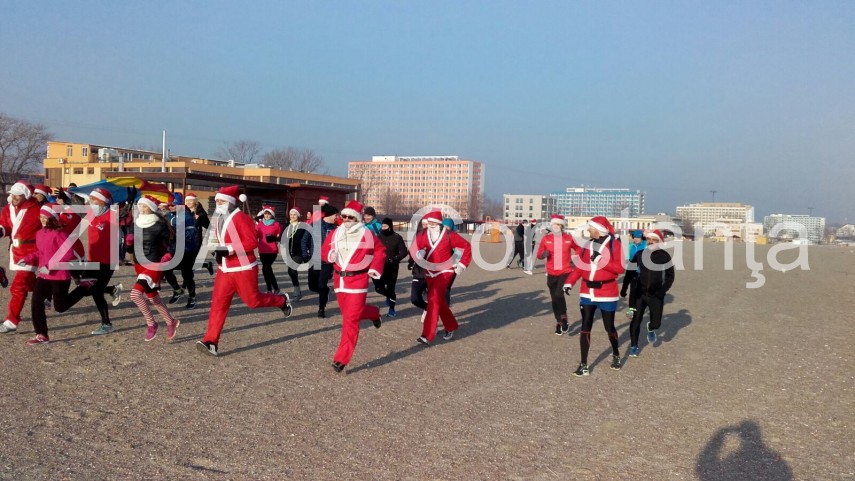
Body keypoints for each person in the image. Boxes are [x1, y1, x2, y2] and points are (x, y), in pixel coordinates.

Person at [196, 185, 291, 356]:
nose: (218, 203)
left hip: (243, 268)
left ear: (231, 203)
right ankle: (210, 341)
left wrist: (229, 249)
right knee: (218, 305)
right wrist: (218, 251)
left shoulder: (242, 218)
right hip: (225, 269)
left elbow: (252, 243)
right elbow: (222, 241)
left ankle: (281, 301)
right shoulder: (218, 219)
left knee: (252, 302)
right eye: (217, 201)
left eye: (221, 201)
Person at [321, 200, 385, 372]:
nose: (347, 219)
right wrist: (330, 254)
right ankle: (374, 313)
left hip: (358, 281)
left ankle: (341, 358)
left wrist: (374, 268)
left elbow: (380, 251)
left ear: (357, 218)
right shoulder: (335, 233)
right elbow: (324, 250)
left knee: (350, 319)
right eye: (344, 216)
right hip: (340, 281)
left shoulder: (367, 234)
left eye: (351, 217)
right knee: (351, 314)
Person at [564, 216, 624, 376]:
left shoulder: (614, 245)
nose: (588, 230)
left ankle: (616, 354)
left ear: (598, 229)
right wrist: (569, 282)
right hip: (587, 292)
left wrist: (601, 260)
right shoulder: (587, 245)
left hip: (607, 293)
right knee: (585, 327)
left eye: (590, 227)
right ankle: (583, 364)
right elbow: (579, 267)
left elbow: (620, 268)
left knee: (609, 327)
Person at [65, 187, 124, 335]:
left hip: (107, 261)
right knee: (86, 289)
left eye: (94, 201)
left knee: (95, 291)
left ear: (103, 203)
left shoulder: (113, 215)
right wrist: (68, 197)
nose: (91, 203)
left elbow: (123, 213)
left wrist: (128, 202)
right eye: (90, 200)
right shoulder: (91, 214)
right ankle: (111, 289)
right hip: (93, 259)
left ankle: (107, 324)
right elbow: (78, 209)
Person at [410, 209, 472, 346]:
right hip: (429, 272)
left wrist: (461, 264)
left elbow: (466, 246)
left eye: (433, 222)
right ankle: (451, 326)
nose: (431, 225)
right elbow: (414, 249)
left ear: (439, 223)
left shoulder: (449, 235)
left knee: (433, 299)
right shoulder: (422, 234)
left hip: (445, 272)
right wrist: (418, 253)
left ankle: (427, 334)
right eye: (429, 222)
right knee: (439, 302)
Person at [21, 204, 79, 345]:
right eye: (40, 217)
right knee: (36, 302)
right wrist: (27, 258)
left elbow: (69, 255)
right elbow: (40, 252)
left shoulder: (61, 235)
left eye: (44, 217)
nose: (41, 220)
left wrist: (50, 266)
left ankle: (83, 288)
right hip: (43, 276)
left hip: (60, 276)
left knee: (60, 307)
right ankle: (41, 334)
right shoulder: (40, 233)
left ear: (52, 218)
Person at [129, 196, 181, 341]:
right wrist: (128, 245)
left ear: (151, 207)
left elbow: (174, 242)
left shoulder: (159, 224)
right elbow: (133, 246)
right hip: (139, 264)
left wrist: (169, 255)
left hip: (154, 263)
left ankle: (152, 324)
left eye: (145, 206)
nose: (142, 208)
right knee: (153, 297)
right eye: (140, 205)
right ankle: (171, 322)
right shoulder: (137, 223)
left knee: (135, 295)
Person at [0, 182, 43, 333]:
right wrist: (1, 231)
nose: (14, 197)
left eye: (18, 194)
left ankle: (12, 321)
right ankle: (49, 289)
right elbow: (5, 225)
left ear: (26, 195)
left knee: (18, 287)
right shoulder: (8, 208)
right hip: (15, 250)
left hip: (31, 252)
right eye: (12, 194)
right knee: (30, 285)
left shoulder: (36, 208)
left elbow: (50, 224)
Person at [628, 229, 675, 356]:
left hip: (656, 295)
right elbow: (630, 271)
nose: (651, 242)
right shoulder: (639, 254)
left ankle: (651, 328)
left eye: (655, 240)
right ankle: (634, 346)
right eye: (649, 239)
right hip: (640, 294)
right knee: (636, 320)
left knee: (657, 323)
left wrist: (662, 290)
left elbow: (670, 276)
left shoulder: (664, 256)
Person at [536, 215, 578, 335]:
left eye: (558, 225)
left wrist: (574, 259)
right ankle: (559, 321)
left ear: (562, 226)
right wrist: (544, 254)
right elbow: (539, 254)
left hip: (565, 271)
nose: (556, 227)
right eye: (554, 225)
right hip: (551, 272)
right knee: (554, 298)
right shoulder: (546, 239)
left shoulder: (568, 238)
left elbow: (579, 249)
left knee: (559, 293)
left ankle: (564, 316)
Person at [302, 203, 338, 318]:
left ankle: (321, 308)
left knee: (322, 285)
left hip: (327, 262)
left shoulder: (337, 229)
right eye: (335, 215)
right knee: (312, 286)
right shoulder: (315, 225)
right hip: (314, 260)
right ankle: (326, 291)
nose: (337, 217)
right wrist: (305, 254)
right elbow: (304, 241)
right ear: (329, 215)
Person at [163, 199, 199, 307]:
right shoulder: (168, 216)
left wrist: (176, 233)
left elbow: (192, 234)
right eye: (169, 205)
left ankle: (192, 297)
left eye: (173, 205)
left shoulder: (186, 217)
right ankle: (178, 290)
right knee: (166, 270)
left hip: (187, 250)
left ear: (180, 205)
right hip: (173, 250)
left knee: (187, 275)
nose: (170, 207)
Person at [374, 218, 408, 317]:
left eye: (385, 226)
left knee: (391, 288)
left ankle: (392, 309)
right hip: (380, 266)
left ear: (390, 226)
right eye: (382, 226)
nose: (383, 228)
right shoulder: (378, 237)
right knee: (378, 288)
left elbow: (404, 252)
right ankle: (388, 295)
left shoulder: (397, 237)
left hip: (392, 267)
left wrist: (395, 259)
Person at [184, 192, 214, 279]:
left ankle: (188, 281)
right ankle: (206, 265)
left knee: (191, 260)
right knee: (187, 260)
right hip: (185, 238)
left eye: (190, 201)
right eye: (187, 201)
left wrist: (199, 219)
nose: (188, 202)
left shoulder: (201, 212)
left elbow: (208, 225)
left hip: (195, 239)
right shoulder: (183, 211)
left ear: (195, 202)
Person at [282, 207, 309, 301]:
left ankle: (296, 290)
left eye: (294, 214)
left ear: (298, 215)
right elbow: (282, 238)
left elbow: (307, 239)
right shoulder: (286, 225)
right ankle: (297, 288)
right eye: (291, 214)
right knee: (291, 271)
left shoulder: (303, 226)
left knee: (292, 271)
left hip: (299, 252)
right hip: (289, 252)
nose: (292, 216)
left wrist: (308, 252)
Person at [255, 205, 283, 294]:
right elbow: (255, 235)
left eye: (269, 214)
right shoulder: (260, 224)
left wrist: (274, 238)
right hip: (263, 250)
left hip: (272, 250)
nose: (267, 216)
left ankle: (271, 289)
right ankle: (273, 288)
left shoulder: (276, 224)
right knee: (266, 269)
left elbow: (280, 237)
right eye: (265, 214)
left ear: (272, 215)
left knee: (266, 268)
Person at [621, 229, 647, 318]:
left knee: (642, 291)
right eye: (635, 237)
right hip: (632, 270)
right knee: (633, 290)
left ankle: (640, 308)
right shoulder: (630, 246)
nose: (636, 239)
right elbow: (627, 258)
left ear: (642, 238)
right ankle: (631, 309)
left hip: (644, 272)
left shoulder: (646, 245)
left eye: (638, 237)